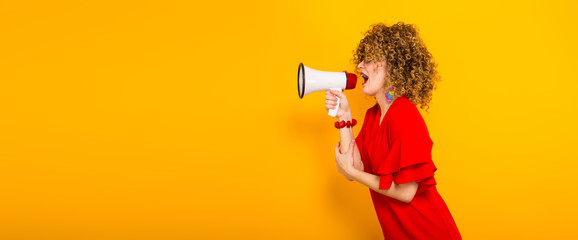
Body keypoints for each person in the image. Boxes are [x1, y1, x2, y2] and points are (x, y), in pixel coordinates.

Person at [325, 22, 462, 239]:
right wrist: (344, 115)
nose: (360, 65)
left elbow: (407, 193)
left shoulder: (404, 114)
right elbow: (352, 165)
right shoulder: (374, 115)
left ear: (392, 65)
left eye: (368, 59)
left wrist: (353, 173)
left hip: (429, 233)